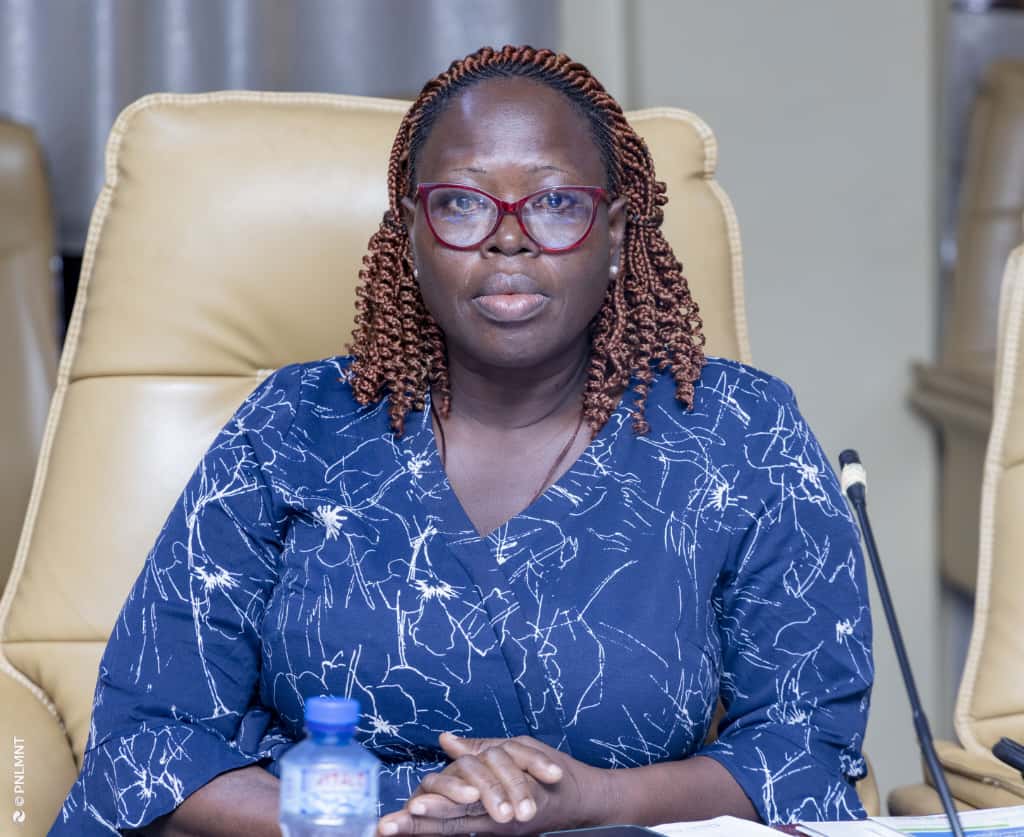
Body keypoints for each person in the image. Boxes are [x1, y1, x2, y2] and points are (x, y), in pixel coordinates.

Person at [50, 45, 873, 836]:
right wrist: (386, 821)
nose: (509, 238)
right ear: (411, 234)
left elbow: (803, 750)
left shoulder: (741, 432)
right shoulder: (293, 422)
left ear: (617, 234)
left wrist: (591, 799)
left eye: (556, 202)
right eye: (463, 203)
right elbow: (146, 741)